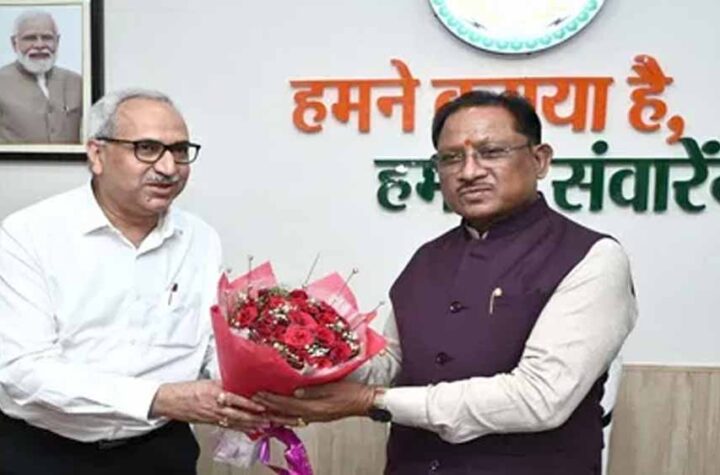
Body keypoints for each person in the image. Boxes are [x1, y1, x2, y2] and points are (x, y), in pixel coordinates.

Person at [254, 90, 639, 474]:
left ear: (540, 160)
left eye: (491, 152)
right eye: (451, 158)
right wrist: (302, 349)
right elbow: (393, 364)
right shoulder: (427, 258)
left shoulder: (592, 257)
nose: (469, 172)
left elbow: (539, 397)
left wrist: (372, 400)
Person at [0, 89, 287, 475]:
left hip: (159, 451)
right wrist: (160, 398)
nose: (168, 167)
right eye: (147, 149)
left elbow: (209, 344)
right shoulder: (28, 234)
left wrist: (250, 384)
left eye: (180, 151)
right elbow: (22, 370)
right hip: (43, 452)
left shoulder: (201, 239)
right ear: (97, 155)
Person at [0, 10, 82, 144]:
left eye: (47, 38)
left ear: (57, 41)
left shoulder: (77, 82)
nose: (40, 45)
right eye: (30, 38)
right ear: (14, 43)